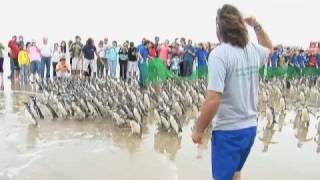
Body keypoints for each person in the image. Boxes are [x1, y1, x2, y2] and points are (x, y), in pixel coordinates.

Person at [192, 4, 272, 180]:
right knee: (236, 173)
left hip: (229, 133)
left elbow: (213, 100)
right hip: (250, 129)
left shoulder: (219, 54)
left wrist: (198, 128)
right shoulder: (253, 50)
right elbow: (269, 49)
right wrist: (256, 25)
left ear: (220, 29)